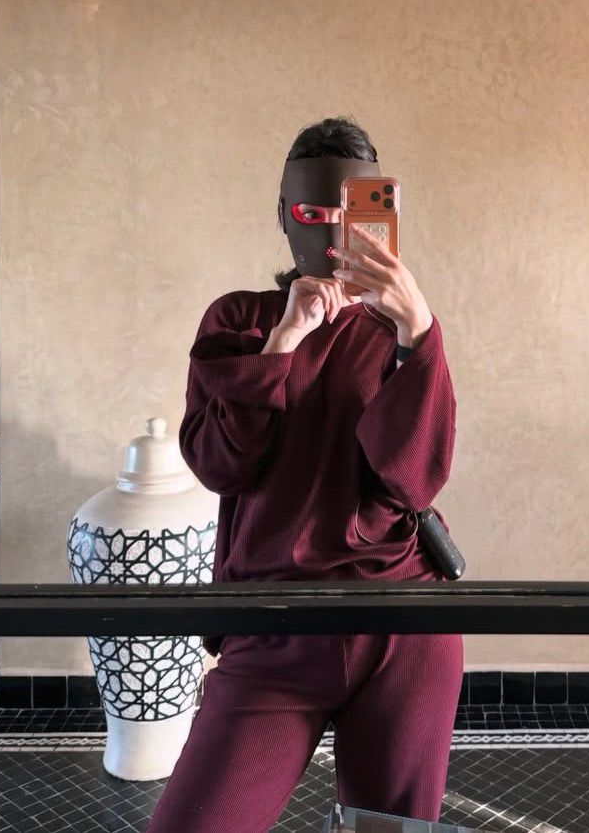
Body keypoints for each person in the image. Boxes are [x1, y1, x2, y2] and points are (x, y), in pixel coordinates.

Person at [145, 116, 462, 832]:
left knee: (388, 832)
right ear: (284, 215)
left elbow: (416, 482)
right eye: (312, 214)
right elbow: (219, 464)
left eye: (348, 215)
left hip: (400, 624)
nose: (330, 232)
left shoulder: (399, 331)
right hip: (271, 627)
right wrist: (284, 340)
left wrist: (417, 333)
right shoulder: (238, 320)